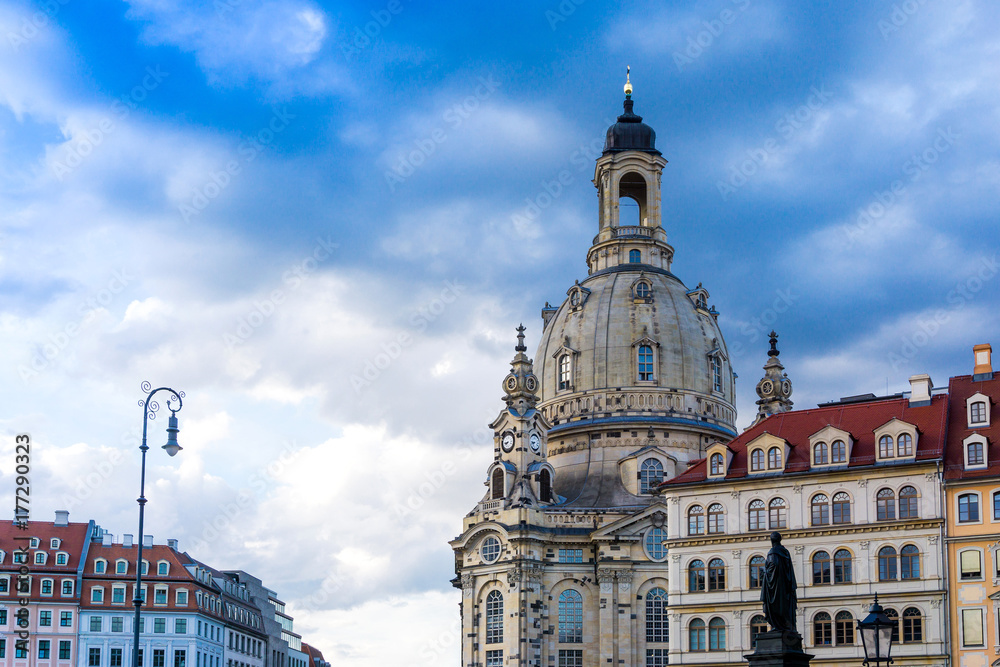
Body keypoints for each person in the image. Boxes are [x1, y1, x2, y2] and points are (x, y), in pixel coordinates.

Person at [761, 531, 797, 632]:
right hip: (785, 586)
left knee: (774, 606)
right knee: (784, 607)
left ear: (771, 540)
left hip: (775, 586)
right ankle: (784, 626)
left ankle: (777, 626)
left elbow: (774, 565)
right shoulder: (785, 552)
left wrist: (766, 573)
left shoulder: (773, 552)